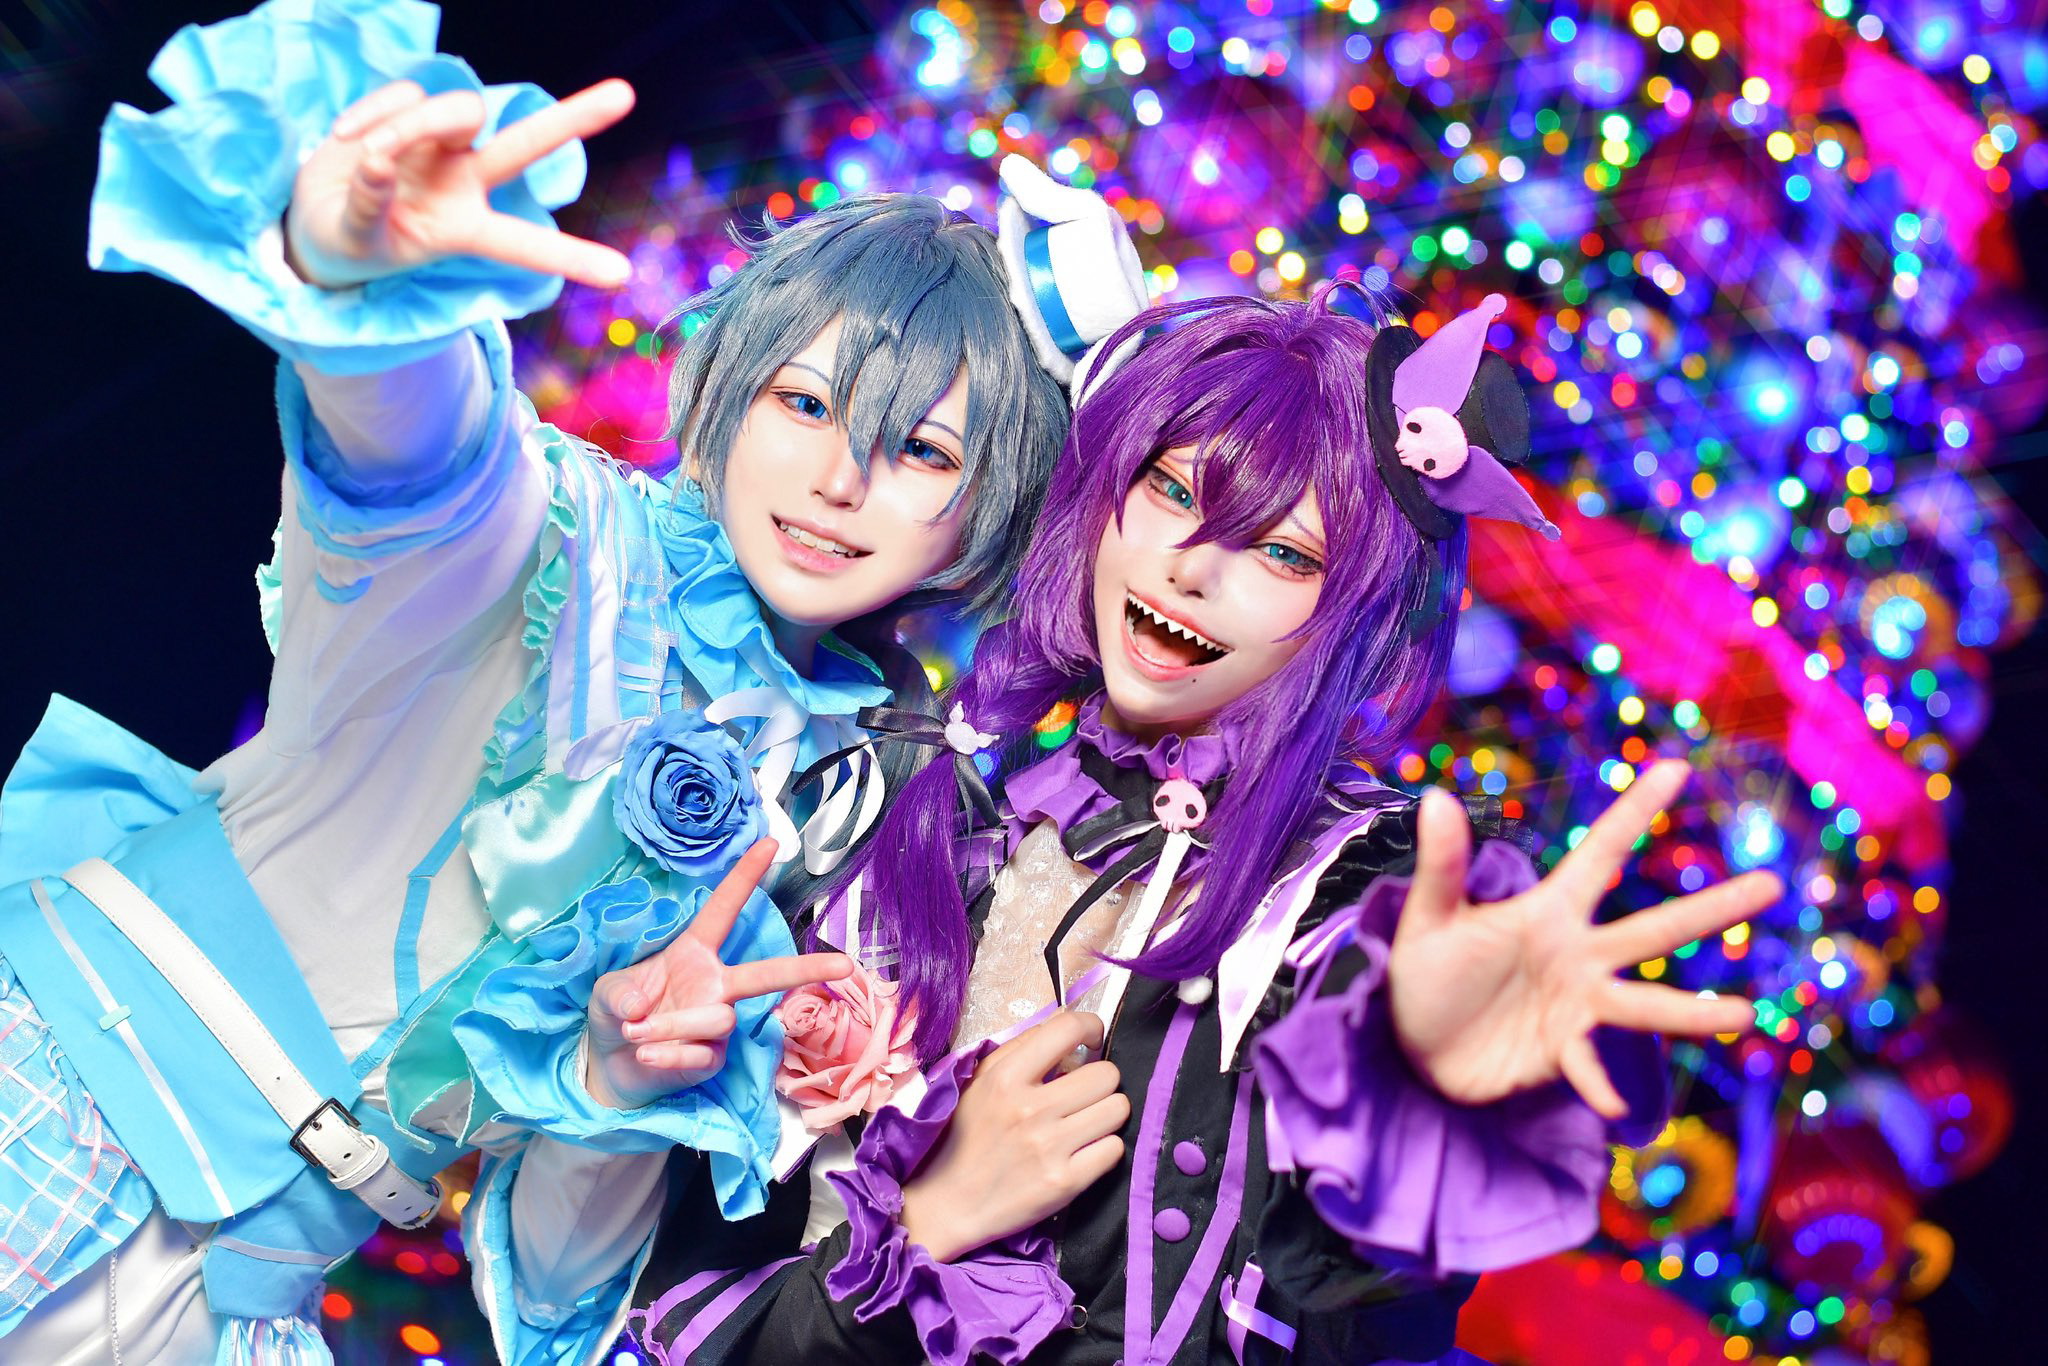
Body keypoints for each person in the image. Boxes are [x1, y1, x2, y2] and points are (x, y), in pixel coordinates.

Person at [0, 1, 1145, 1360]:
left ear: (983, 511)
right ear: (728, 390)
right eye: (805, 402)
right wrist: (359, 283)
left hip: (235, 1300)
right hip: (43, 1102)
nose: (842, 479)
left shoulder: (836, 815)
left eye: (923, 453)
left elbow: (552, 1286)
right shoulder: (557, 541)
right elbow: (416, 458)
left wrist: (617, 1082)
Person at [623, 285, 1779, 1363]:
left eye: (1281, 552)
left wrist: (1416, 1070)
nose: (1190, 569)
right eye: (1172, 492)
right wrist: (931, 1218)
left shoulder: (1343, 896)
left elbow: (1360, 1313)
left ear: (1356, 616)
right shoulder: (919, 823)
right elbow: (697, 1321)